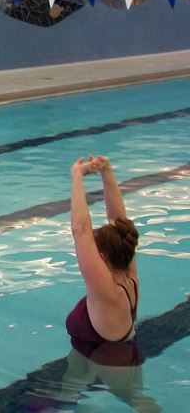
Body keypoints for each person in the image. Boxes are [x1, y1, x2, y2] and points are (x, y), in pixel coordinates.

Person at [66, 155, 141, 362]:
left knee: (136, 397)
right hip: (115, 354)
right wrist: (107, 171)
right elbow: (119, 222)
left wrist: (77, 176)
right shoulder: (127, 270)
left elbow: (80, 230)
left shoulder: (105, 288)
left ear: (103, 257)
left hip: (112, 362)